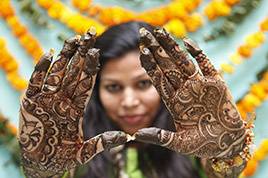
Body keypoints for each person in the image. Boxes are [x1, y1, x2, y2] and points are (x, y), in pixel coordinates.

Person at [18, 21, 251, 178]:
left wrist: (227, 155)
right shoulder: (70, 154)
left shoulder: (198, 147)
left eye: (143, 84)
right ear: (94, 91)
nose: (129, 101)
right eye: (113, 87)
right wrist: (44, 173)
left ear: (168, 84)